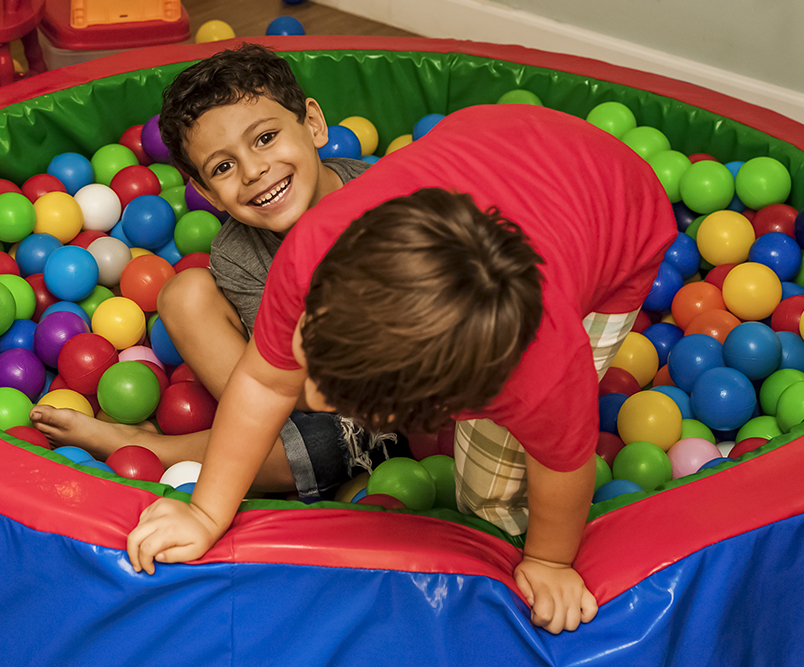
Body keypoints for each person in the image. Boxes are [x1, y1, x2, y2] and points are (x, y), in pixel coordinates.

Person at [126, 104, 677, 634]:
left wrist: (550, 561)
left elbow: (563, 466)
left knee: (487, 497)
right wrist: (206, 514)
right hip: (496, 134)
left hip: (618, 204)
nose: (304, 387)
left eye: (334, 389)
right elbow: (263, 380)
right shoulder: (314, 248)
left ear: (428, 406)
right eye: (310, 343)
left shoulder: (541, 371)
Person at [31, 42, 396, 501]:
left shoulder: (389, 200)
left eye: (265, 138)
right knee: (184, 292)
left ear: (313, 125)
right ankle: (242, 447)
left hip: (406, 395)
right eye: (223, 166)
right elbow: (290, 385)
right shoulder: (237, 253)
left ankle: (153, 449)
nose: (254, 171)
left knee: (319, 446)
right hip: (308, 392)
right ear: (208, 194)